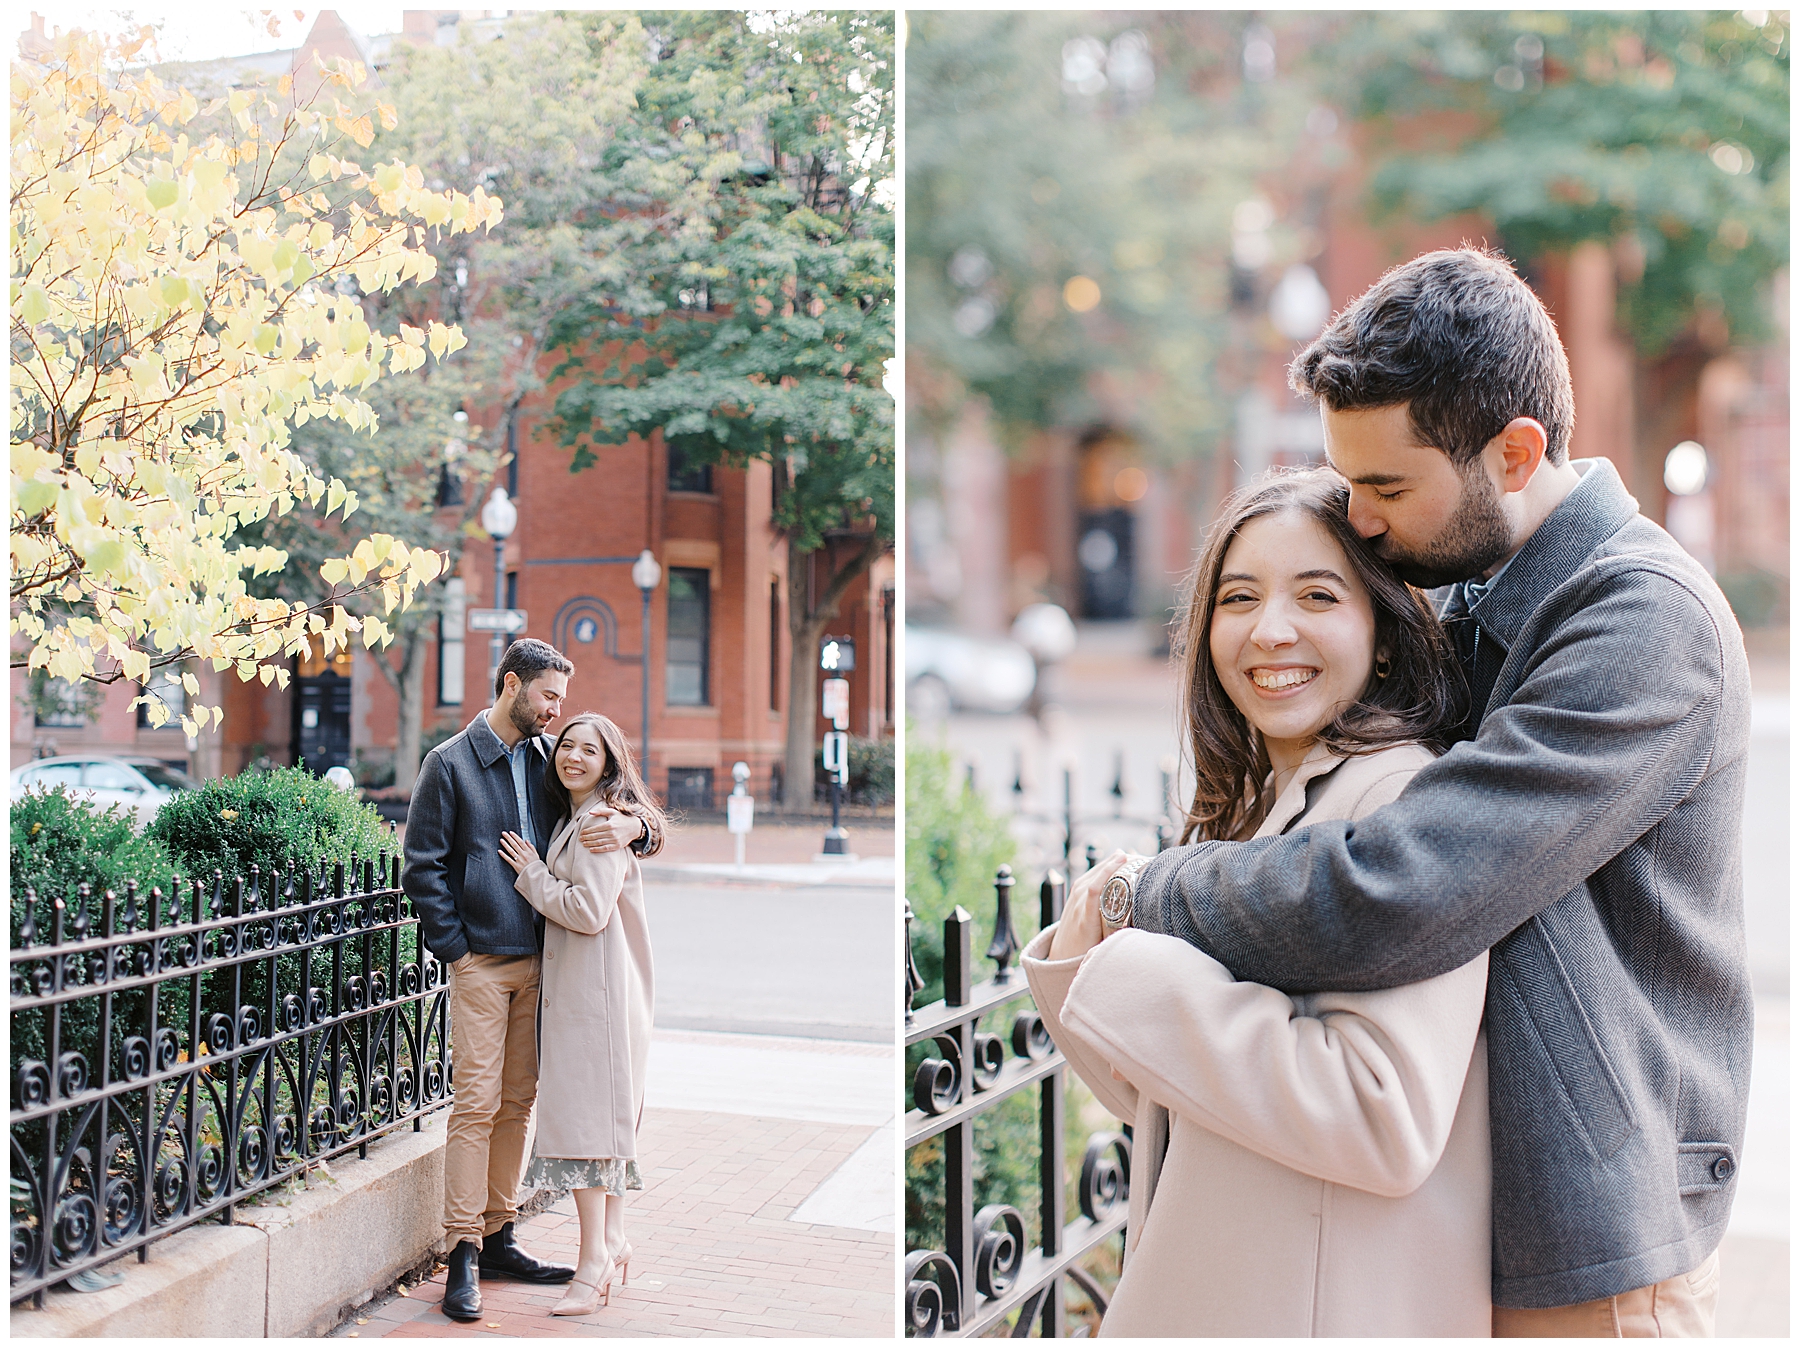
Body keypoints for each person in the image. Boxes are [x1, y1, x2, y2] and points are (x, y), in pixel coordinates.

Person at [1098, 248, 1750, 1335]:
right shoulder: (1479, 588)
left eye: (1388, 486)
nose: (1357, 517)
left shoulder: (1644, 622)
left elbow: (1405, 887)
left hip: (1598, 1248)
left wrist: (1153, 897)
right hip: (1487, 1231)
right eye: (1349, 482)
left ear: (1515, 450)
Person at [1024, 468, 1488, 1335]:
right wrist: (1079, 965)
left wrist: (1129, 960)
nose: (1271, 631)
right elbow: (1171, 1099)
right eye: (1239, 598)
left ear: (1383, 634)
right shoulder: (1252, 809)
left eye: (1317, 595)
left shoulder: (1397, 800)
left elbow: (1381, 1114)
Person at [404, 639, 662, 1322]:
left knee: (518, 1104)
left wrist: (636, 824)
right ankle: (462, 1248)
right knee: (477, 1104)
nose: (556, 711)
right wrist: (456, 950)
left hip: (546, 968)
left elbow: (616, 807)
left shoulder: (553, 761)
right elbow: (421, 866)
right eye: (549, 697)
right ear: (512, 685)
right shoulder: (450, 763)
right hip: (483, 964)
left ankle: (497, 1234)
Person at [498, 712, 664, 1316]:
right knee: (605, 1128)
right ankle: (613, 1243)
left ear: (608, 762)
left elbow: (590, 910)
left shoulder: (597, 823)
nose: (572, 757)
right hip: (594, 994)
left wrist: (533, 877)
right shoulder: (585, 818)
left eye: (587, 750)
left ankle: (593, 1261)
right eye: (566, 746)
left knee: (590, 1130)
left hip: (598, 1002)